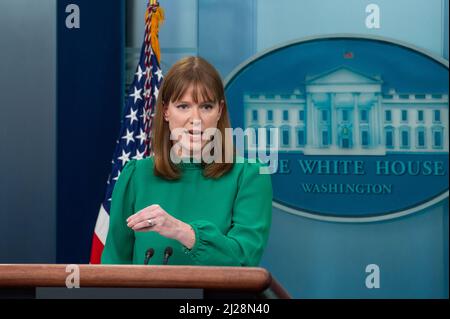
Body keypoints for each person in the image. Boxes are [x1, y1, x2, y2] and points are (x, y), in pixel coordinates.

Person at [101, 56, 272, 266]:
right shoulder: (136, 175)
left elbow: (244, 260)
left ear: (220, 111)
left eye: (206, 107)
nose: (196, 119)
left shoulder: (249, 176)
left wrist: (182, 232)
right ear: (165, 111)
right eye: (183, 106)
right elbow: (113, 266)